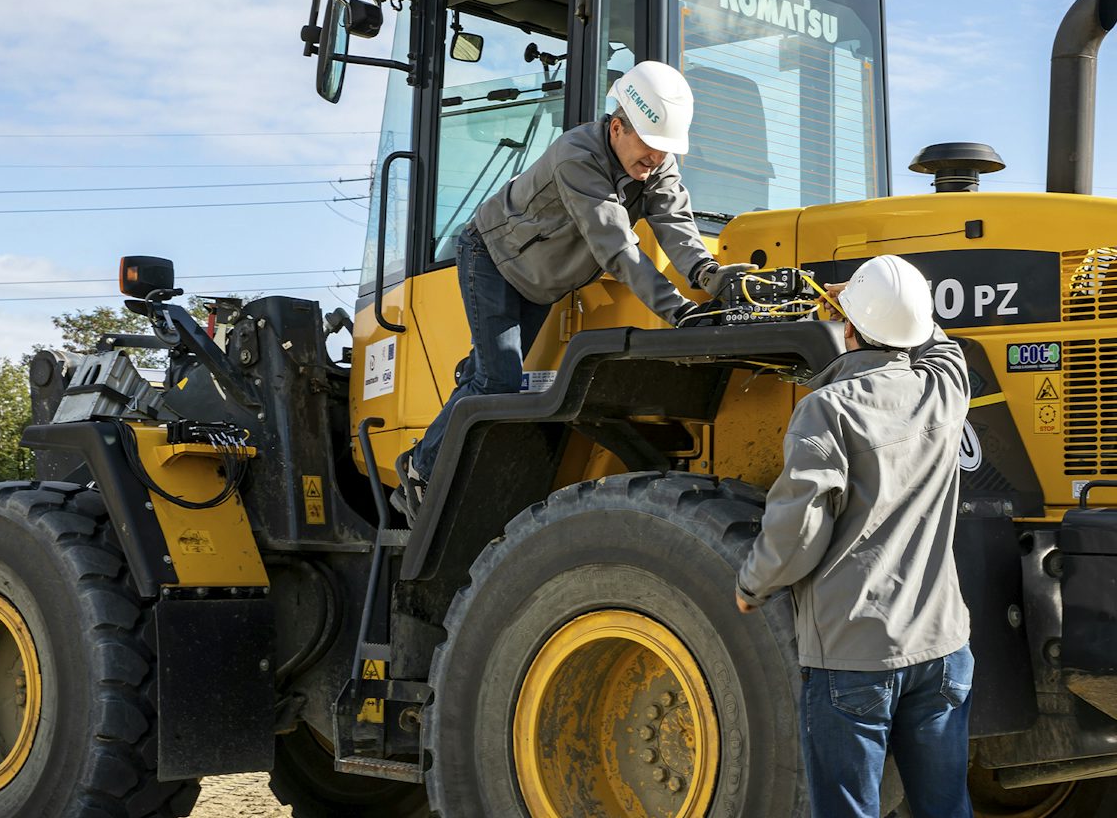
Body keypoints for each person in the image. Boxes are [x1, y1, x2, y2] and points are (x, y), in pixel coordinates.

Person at [393, 61, 752, 518]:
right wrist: (679, 311)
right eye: (648, 151)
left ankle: (465, 396)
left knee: (489, 371)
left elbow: (676, 225)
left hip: (544, 279)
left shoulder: (656, 163)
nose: (655, 162)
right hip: (493, 259)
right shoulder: (576, 156)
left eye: (664, 152)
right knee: (500, 381)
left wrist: (708, 274)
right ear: (618, 126)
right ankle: (419, 468)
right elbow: (618, 248)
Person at [735, 254, 973, 818]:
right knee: (946, 808)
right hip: (943, 649)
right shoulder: (944, 391)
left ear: (845, 328)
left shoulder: (826, 410)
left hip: (854, 657)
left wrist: (751, 583)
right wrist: (892, 306)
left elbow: (797, 534)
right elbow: (943, 347)